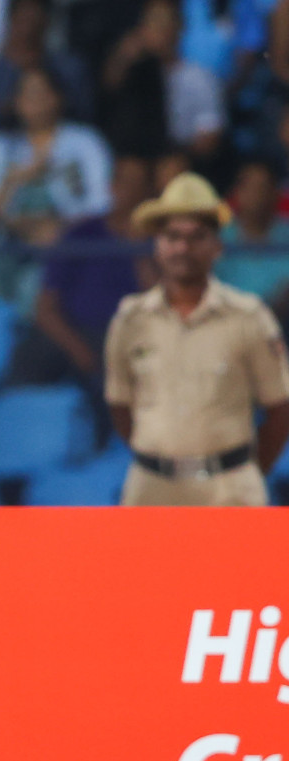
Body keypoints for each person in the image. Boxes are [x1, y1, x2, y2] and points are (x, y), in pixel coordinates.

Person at [106, 172, 289, 505]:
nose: (182, 248)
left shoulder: (248, 316)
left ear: (217, 245)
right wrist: (160, 457)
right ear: (157, 246)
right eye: (172, 236)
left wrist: (245, 471)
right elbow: (120, 405)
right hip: (151, 488)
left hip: (230, 489)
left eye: (196, 236)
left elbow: (280, 407)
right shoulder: (130, 320)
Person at [19, 156, 155, 398]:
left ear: (148, 192)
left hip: (127, 338)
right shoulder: (81, 234)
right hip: (74, 333)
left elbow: (160, 304)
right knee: (35, 350)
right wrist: (80, 351)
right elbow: (45, 308)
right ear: (111, 186)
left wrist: (138, 250)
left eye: (138, 184)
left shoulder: (160, 242)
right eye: (124, 182)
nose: (130, 191)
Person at [0, 66, 113, 244]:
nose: (37, 100)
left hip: (70, 242)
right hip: (7, 244)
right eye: (29, 93)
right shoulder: (0, 146)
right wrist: (12, 181)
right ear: (16, 102)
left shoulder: (85, 141)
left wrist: (60, 225)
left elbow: (103, 203)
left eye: (43, 91)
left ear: (59, 96)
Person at [0, 0, 95, 162]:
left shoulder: (69, 69)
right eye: (22, 16)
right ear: (11, 20)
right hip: (3, 160)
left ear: (47, 20)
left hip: (61, 155)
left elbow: (84, 118)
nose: (28, 25)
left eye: (34, 15)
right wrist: (5, 116)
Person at [101, 0, 224, 170]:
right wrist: (125, 55)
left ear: (179, 26)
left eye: (164, 22)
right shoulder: (131, 73)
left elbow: (209, 141)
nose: (158, 30)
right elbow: (109, 85)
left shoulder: (199, 78)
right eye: (152, 22)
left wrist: (173, 153)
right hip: (134, 157)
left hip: (180, 159)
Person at [216, 159, 289, 316]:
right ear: (237, 192)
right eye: (249, 187)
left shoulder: (286, 233)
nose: (256, 195)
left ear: (275, 193)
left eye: (262, 188)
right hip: (227, 319)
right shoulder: (219, 237)